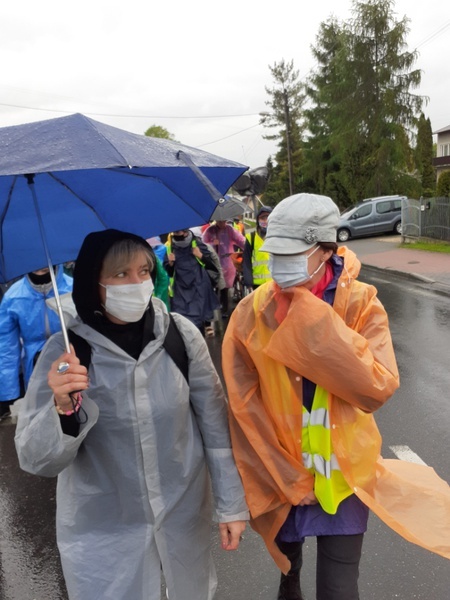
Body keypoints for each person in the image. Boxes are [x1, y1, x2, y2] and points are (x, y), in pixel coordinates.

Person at [222, 193, 450, 600]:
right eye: (276, 254)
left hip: (343, 478)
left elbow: (375, 387)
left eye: (293, 254)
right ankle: (289, 578)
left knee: (339, 588)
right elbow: (243, 406)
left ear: (326, 250)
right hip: (280, 473)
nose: (279, 266)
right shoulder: (251, 311)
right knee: (288, 566)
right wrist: (287, 477)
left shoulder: (361, 303)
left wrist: (309, 317)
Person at [15, 229, 248, 600]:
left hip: (182, 512)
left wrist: (231, 506)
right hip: (104, 527)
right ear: (94, 281)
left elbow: (215, 429)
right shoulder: (67, 351)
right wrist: (62, 409)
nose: (137, 283)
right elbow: (35, 459)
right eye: (121, 274)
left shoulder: (180, 336)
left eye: (143, 270)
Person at [0, 266, 73, 421]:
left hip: (70, 360)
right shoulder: (13, 297)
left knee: (72, 410)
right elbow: (7, 347)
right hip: (34, 366)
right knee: (41, 418)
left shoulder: (73, 288)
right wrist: (7, 392)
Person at [163, 229, 220, 335]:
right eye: (174, 233)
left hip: (198, 288)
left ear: (185, 232)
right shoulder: (170, 248)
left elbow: (211, 265)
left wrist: (200, 256)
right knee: (182, 323)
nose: (177, 235)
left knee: (197, 324)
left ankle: (199, 348)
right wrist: (170, 264)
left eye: (179, 232)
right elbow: (170, 273)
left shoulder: (197, 243)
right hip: (180, 291)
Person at [202, 220, 245, 317]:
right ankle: (216, 306)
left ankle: (224, 309)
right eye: (220, 221)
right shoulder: (210, 231)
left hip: (228, 263)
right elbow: (202, 244)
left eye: (223, 221)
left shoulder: (230, 230)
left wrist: (249, 248)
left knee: (224, 288)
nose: (222, 223)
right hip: (215, 262)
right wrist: (213, 244)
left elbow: (240, 240)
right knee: (216, 285)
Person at [243, 205, 273, 290]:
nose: (265, 221)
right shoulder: (251, 238)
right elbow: (247, 261)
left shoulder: (277, 237)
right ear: (258, 220)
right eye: (262, 218)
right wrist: (248, 282)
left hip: (274, 283)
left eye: (268, 217)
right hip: (257, 285)